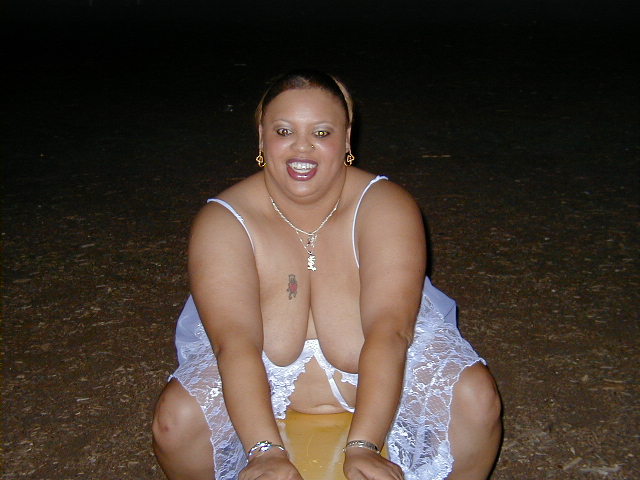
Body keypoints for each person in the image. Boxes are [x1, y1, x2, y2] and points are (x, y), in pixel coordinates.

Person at [152, 69, 502, 480]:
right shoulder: (224, 221)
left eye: (321, 133)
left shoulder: (385, 205)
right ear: (262, 137)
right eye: (284, 131)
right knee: (175, 421)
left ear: (347, 138)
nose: (302, 147)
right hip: (259, 375)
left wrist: (364, 445)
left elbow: (390, 330)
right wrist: (264, 451)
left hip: (387, 361)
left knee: (476, 399)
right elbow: (234, 344)